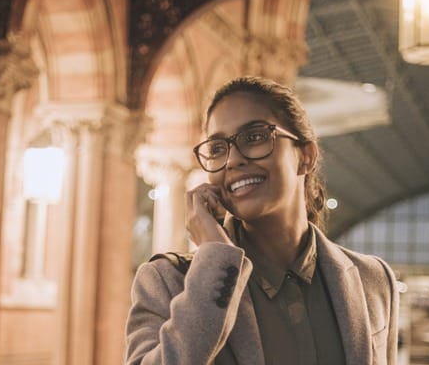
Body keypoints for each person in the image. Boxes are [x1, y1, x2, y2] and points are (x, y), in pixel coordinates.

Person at [125, 76, 399, 364]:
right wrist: (215, 259)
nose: (232, 160)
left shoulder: (374, 280)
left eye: (254, 137)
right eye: (218, 148)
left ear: (306, 156)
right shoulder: (168, 282)